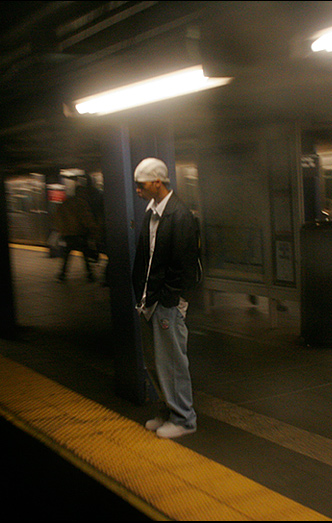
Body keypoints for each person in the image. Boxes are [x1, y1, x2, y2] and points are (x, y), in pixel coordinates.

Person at [132, 157, 200, 439]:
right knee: (154, 363)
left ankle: (184, 419)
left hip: (166, 303)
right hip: (150, 301)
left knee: (172, 362)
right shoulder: (152, 212)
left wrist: (170, 300)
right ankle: (167, 411)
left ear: (157, 182)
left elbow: (184, 265)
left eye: (141, 184)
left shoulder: (181, 216)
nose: (137, 190)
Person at [53, 184, 98, 282]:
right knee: (85, 254)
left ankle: (62, 274)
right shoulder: (81, 203)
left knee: (67, 255)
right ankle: (90, 274)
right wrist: (93, 229)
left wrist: (62, 230)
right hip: (79, 233)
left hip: (67, 234)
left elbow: (58, 217)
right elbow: (86, 218)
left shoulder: (66, 203)